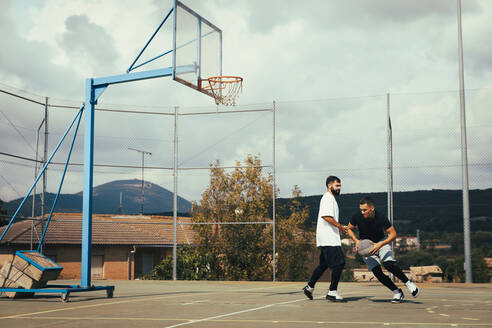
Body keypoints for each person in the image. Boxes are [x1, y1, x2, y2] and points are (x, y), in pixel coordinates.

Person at [346, 196, 420, 303]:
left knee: (388, 264)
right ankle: (397, 292)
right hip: (366, 246)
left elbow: (393, 234)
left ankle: (409, 283)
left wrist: (379, 244)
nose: (362, 212)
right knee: (377, 272)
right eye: (361, 209)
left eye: (365, 210)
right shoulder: (357, 216)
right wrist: (356, 241)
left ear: (372, 208)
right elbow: (349, 228)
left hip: (381, 241)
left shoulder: (381, 217)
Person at [303, 176, 348, 302]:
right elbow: (326, 216)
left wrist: (338, 227)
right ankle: (332, 292)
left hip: (328, 238)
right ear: (329, 185)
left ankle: (309, 287)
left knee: (324, 264)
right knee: (339, 264)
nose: (339, 188)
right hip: (329, 239)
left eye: (340, 186)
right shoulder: (327, 198)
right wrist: (339, 226)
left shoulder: (331, 199)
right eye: (337, 186)